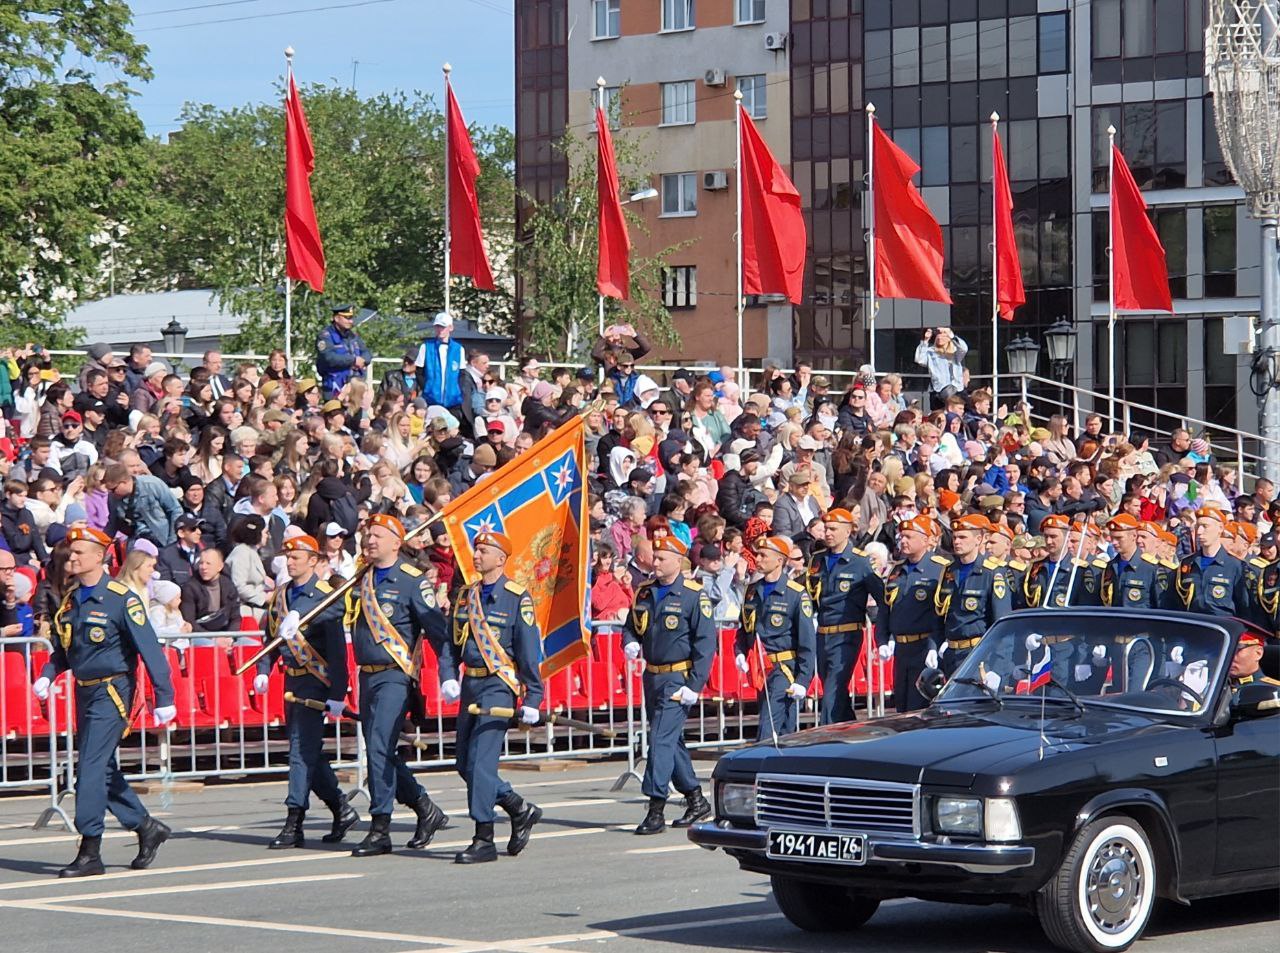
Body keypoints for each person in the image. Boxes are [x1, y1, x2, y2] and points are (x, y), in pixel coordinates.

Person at [31, 527, 176, 878]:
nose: (73, 557)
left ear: (100, 556)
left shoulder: (120, 598)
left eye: (80, 551)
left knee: (91, 770)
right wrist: (49, 673)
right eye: (71, 552)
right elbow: (67, 651)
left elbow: (149, 648)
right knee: (103, 769)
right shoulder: (71, 600)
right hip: (84, 691)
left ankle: (90, 848)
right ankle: (145, 826)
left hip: (112, 692)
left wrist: (164, 696)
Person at [437, 531, 545, 863]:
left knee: (482, 762)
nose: (477, 555)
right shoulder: (465, 596)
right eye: (477, 549)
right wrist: (446, 677)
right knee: (464, 764)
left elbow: (528, 654)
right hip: (470, 683)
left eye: (485, 550)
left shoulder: (516, 597)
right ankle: (518, 807)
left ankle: (484, 836)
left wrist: (533, 697)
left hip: (499, 685)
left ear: (502, 558)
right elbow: (449, 645)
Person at [346, 514, 449, 856]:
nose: (370, 540)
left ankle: (380, 826)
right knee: (381, 750)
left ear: (396, 541)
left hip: (394, 674)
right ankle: (423, 807)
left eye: (377, 535)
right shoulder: (362, 578)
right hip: (367, 674)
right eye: (368, 535)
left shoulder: (410, 580)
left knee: (378, 746)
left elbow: (436, 630)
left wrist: (449, 673)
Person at [253, 535, 358, 849]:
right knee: (308, 752)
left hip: (316, 682)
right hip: (292, 683)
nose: (291, 561)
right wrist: (262, 671)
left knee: (300, 751)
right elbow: (271, 639)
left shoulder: (326, 595)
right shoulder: (281, 596)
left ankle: (294, 820)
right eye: (289, 556)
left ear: (314, 560)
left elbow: (338, 652)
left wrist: (339, 692)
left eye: (297, 556)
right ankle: (341, 808)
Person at [623, 532, 716, 835]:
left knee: (660, 740)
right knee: (670, 739)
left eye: (663, 558)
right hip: (652, 675)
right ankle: (695, 798)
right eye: (655, 556)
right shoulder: (645, 591)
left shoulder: (692, 595)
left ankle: (655, 805)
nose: (656, 562)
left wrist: (695, 684)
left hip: (678, 676)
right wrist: (630, 642)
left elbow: (705, 643)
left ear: (679, 560)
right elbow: (631, 626)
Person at [806, 508, 884, 724]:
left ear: (848, 531)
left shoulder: (862, 562)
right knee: (834, 690)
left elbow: (882, 598)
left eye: (833, 529)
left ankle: (825, 738)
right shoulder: (817, 560)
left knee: (833, 688)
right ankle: (850, 726)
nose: (827, 533)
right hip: (823, 634)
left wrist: (884, 631)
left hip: (847, 635)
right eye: (826, 529)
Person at [735, 535, 816, 739]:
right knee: (784, 729)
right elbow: (744, 627)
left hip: (784, 668)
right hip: (760, 668)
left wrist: (803, 680)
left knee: (768, 725)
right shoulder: (752, 591)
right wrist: (740, 652)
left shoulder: (796, 594)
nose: (758, 559)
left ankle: (757, 765)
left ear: (780, 560)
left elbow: (807, 641)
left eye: (763, 555)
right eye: (757, 554)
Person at [877, 516, 947, 712]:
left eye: (909, 536)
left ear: (925, 540)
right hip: (901, 649)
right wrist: (883, 640)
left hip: (924, 647)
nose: (903, 540)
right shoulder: (897, 570)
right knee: (902, 704)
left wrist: (934, 645)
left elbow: (940, 613)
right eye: (901, 536)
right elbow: (886, 609)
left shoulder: (939, 568)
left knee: (921, 707)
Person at [936, 515, 1011, 677]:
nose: (956, 542)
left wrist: (999, 668)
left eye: (963, 537)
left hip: (977, 655)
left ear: (979, 539)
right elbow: (939, 616)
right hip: (950, 654)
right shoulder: (949, 571)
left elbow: (1001, 622)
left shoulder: (993, 573)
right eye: (955, 537)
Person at [1167, 506, 1253, 619]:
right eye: (1198, 526)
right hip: (1192, 626)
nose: (1199, 532)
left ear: (1220, 528)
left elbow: (1244, 608)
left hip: (1222, 629)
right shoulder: (1187, 564)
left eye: (1205, 526)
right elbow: (1174, 603)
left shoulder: (1236, 566)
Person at [315, 303, 371, 398]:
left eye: (351, 318)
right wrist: (353, 360)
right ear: (336, 318)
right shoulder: (325, 336)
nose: (351, 321)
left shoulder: (353, 336)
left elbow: (367, 353)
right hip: (335, 387)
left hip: (354, 386)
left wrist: (363, 360)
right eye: (347, 318)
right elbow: (329, 357)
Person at [415, 312, 465, 413]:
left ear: (450, 328)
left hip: (453, 401)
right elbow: (419, 372)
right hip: (431, 399)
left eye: (443, 327)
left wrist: (457, 390)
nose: (440, 330)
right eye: (438, 326)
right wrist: (427, 388)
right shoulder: (426, 347)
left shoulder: (458, 349)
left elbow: (462, 374)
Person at [914, 328, 968, 410]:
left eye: (944, 335)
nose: (940, 336)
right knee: (939, 414)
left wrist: (951, 335)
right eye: (938, 335)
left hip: (957, 389)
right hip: (939, 391)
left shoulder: (955, 352)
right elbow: (920, 360)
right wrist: (925, 341)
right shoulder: (931, 352)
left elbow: (964, 349)